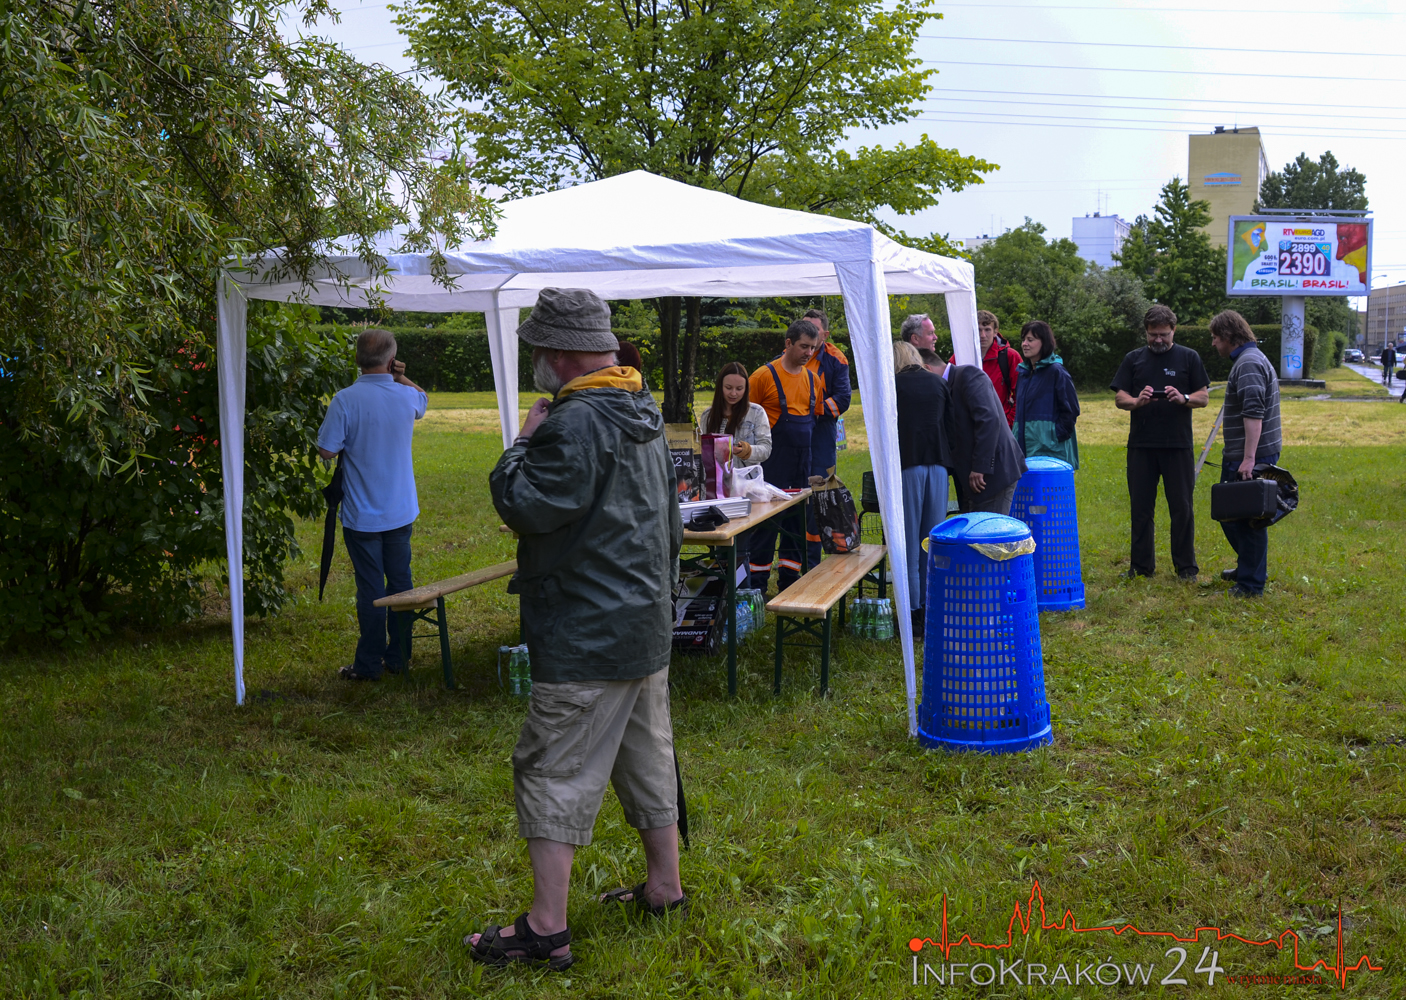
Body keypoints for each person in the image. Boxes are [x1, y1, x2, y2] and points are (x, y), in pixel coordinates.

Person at [473, 288, 685, 972]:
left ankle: (546, 929)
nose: (535, 357)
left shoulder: (574, 422)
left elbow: (525, 505)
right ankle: (664, 888)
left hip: (588, 629)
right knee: (647, 756)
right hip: (644, 622)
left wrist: (521, 443)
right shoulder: (641, 406)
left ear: (558, 353)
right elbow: (671, 524)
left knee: (552, 766)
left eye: (538, 346)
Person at [316, 329, 427, 681]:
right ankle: (399, 656)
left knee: (370, 589)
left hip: (362, 514)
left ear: (357, 359)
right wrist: (401, 376)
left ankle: (367, 664)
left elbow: (326, 450)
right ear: (392, 361)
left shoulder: (344, 400)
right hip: (400, 509)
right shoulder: (406, 395)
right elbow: (423, 399)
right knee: (401, 583)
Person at [1110, 305, 1211, 580]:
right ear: (1146, 332)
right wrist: (1136, 401)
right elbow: (1120, 397)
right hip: (1141, 445)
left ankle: (1186, 568)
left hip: (1177, 445)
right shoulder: (1134, 359)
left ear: (1173, 330)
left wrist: (1184, 398)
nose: (1158, 339)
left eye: (1163, 334)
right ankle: (1141, 567)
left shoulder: (1189, 357)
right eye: (1153, 334)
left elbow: (1203, 396)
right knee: (1141, 508)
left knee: (1182, 508)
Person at [1211, 309, 1281, 598]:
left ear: (1229, 336)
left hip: (1251, 456)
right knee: (1232, 514)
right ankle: (1249, 568)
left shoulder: (1249, 363)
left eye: (1216, 337)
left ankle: (1251, 585)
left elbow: (1254, 413)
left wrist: (1249, 460)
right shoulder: (1250, 358)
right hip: (1246, 453)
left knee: (1247, 520)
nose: (1214, 343)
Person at [746, 319, 820, 591]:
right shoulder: (762, 377)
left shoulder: (813, 380)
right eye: (803, 346)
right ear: (788, 343)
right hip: (770, 468)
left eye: (812, 348)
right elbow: (745, 423)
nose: (808, 353)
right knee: (765, 529)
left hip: (801, 467)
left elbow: (814, 421)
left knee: (795, 528)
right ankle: (756, 587)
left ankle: (790, 584)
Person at [893, 340, 952, 640]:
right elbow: (949, 424)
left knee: (909, 543)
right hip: (938, 466)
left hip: (909, 466)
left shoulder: (894, 386)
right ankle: (934, 609)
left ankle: (912, 614)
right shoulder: (938, 383)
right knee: (933, 542)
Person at [801, 308, 852, 565]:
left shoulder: (836, 359)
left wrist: (811, 410)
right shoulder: (788, 355)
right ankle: (790, 562)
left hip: (821, 435)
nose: (808, 334)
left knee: (818, 496)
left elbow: (843, 399)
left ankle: (812, 562)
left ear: (826, 334)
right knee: (792, 494)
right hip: (792, 437)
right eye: (804, 328)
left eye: (814, 330)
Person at [945, 356, 1027, 515]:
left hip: (993, 475)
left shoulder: (968, 374)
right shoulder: (954, 381)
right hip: (972, 478)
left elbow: (989, 419)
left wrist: (980, 466)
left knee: (989, 528)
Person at [1012, 320, 1080, 470]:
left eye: (1030, 340)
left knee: (1048, 486)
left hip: (1051, 451)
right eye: (1023, 340)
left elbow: (1071, 410)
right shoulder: (1023, 373)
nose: (1024, 344)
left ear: (1044, 342)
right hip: (1023, 450)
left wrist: (1054, 437)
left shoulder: (1057, 372)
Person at [950, 310, 1021, 427]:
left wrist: (1008, 423)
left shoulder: (1010, 356)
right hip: (967, 427)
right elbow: (948, 391)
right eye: (978, 330)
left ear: (995, 332)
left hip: (1000, 426)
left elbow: (1021, 394)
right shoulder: (959, 357)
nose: (982, 335)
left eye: (987, 330)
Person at [698, 361, 772, 468]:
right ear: (720, 387)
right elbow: (702, 451)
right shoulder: (707, 415)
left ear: (746, 389)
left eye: (739, 389)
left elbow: (766, 449)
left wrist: (747, 451)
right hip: (717, 476)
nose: (733, 393)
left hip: (746, 477)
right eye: (728, 388)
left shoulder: (757, 412)